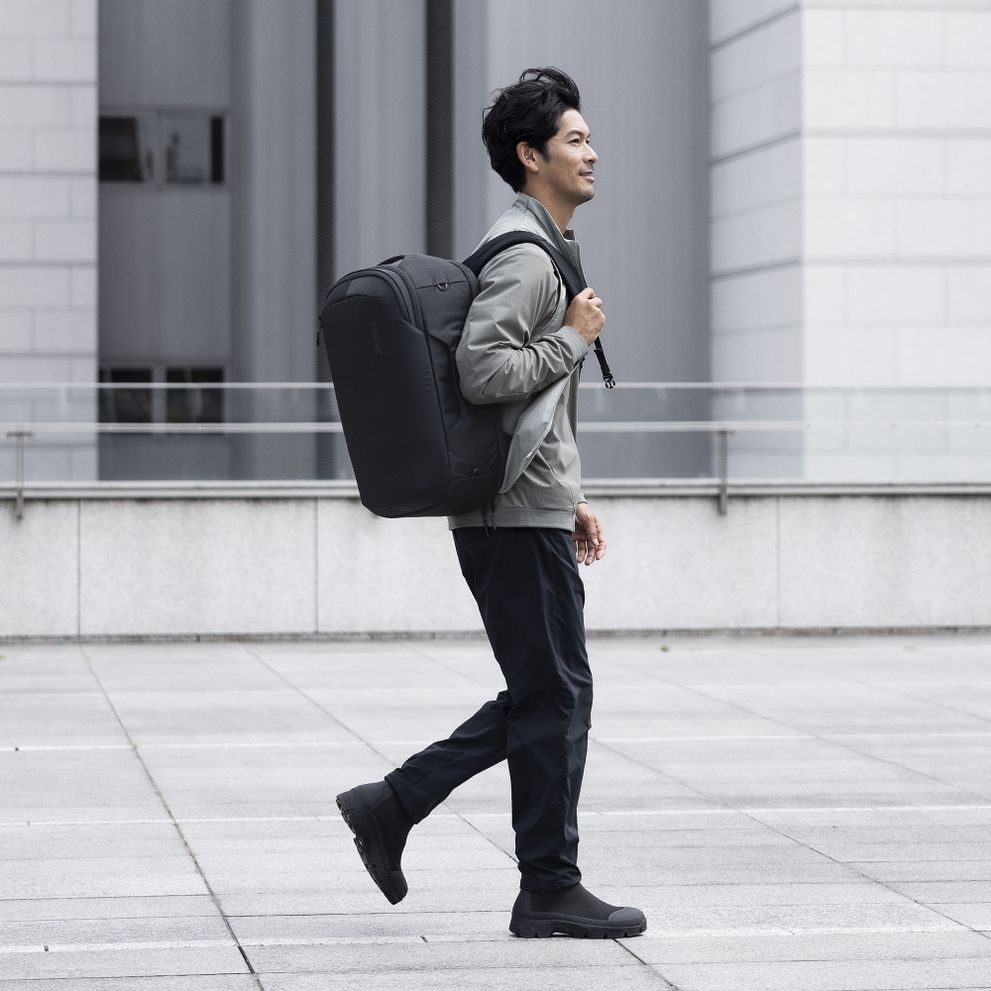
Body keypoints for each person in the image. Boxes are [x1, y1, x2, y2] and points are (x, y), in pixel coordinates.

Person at [336, 67, 646, 940]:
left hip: (526, 506)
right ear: (529, 153)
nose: (591, 151)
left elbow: (532, 409)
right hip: (509, 517)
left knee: (546, 691)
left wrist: (570, 494)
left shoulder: (540, 244)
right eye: (575, 139)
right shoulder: (523, 254)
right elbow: (487, 372)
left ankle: (396, 806)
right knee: (554, 694)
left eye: (587, 137)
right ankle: (542, 881)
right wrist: (572, 337)